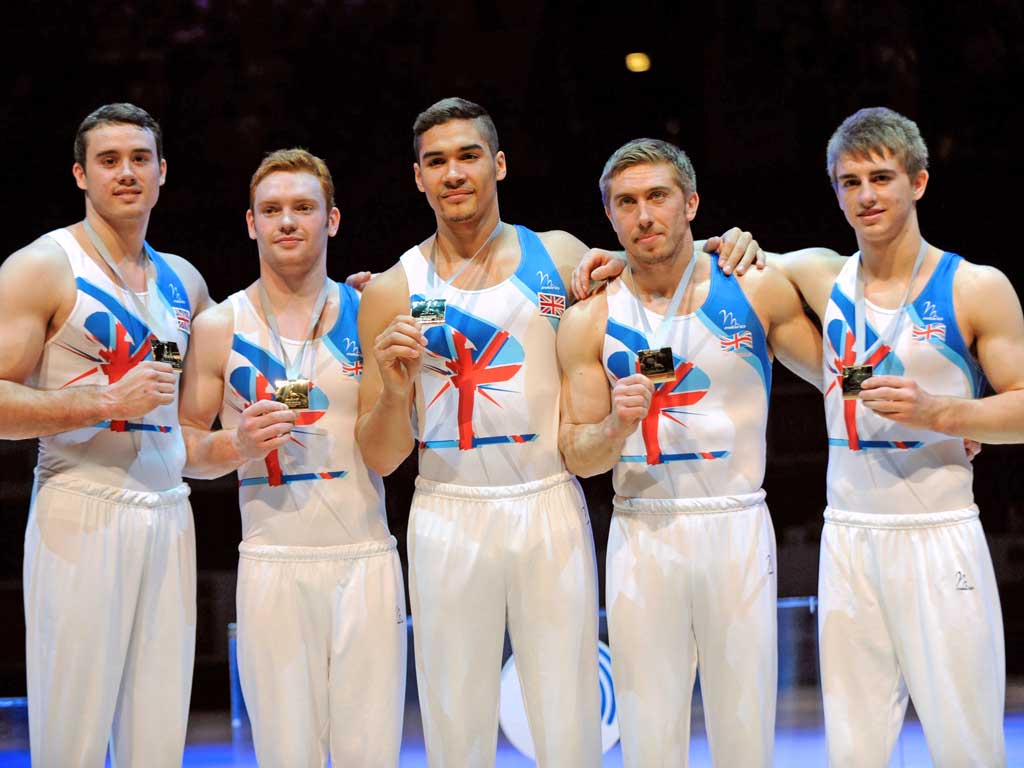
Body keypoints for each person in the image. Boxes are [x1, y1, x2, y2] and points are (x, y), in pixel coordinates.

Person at [355, 97, 759, 767]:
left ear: (499, 165)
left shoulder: (565, 257)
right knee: (456, 728)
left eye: (468, 156)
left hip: (548, 501)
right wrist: (397, 389)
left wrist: (732, 244)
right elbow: (380, 454)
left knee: (569, 722)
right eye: (437, 161)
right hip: (446, 512)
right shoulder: (392, 289)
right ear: (417, 178)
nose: (454, 173)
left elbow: (666, 269)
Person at [558, 138, 822, 767]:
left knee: (744, 728)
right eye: (627, 202)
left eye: (657, 197)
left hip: (736, 524)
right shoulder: (590, 318)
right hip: (643, 534)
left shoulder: (754, 286)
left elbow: (840, 379)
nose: (644, 215)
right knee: (650, 731)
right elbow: (579, 454)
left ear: (691, 203)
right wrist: (617, 426)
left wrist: (946, 411)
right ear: (611, 217)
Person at [178, 148, 406, 767]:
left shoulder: (370, 312)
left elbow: (392, 451)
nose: (287, 221)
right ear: (251, 223)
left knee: (371, 753)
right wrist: (236, 445)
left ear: (332, 220)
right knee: (285, 753)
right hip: (272, 559)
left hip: (365, 558)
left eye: (303, 208)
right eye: (271, 210)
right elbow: (186, 452)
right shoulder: (219, 326)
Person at [0, 103, 212, 766]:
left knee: (157, 736)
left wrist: (350, 305)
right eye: (109, 160)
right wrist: (101, 400)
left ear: (162, 172)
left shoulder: (186, 281)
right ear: (80, 175)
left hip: (169, 514)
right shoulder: (43, 266)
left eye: (140, 159)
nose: (127, 172)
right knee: (74, 732)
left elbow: (239, 374)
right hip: (80, 505)